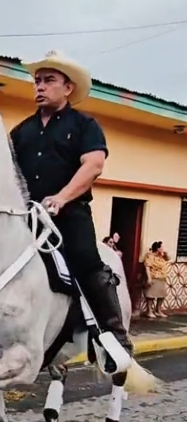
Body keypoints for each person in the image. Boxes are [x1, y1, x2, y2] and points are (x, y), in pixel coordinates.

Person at [10, 51, 133, 359]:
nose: (39, 86)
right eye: (37, 81)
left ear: (68, 88)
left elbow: (93, 165)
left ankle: (113, 335)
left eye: (48, 80)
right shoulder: (21, 131)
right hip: (29, 217)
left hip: (69, 214)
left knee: (86, 261)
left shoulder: (84, 125)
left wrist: (62, 198)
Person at [143, 241, 170, 319]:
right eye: (161, 247)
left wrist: (165, 253)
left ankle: (158, 310)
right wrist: (149, 278)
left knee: (162, 295)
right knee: (151, 296)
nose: (163, 249)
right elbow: (147, 267)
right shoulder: (150, 256)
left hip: (162, 277)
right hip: (154, 277)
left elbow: (168, 258)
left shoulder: (161, 256)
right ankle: (149, 311)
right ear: (157, 248)